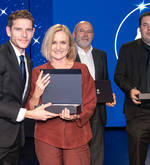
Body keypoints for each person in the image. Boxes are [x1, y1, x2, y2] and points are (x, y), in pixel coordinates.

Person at [0, 10, 58, 165]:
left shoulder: (27, 60)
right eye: (18, 29)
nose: (24, 35)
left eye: (28, 30)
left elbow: (17, 98)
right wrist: (30, 114)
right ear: (8, 31)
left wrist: (37, 95)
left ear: (33, 32)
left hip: (14, 138)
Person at [26, 24, 97, 165]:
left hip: (77, 134)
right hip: (46, 136)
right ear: (47, 45)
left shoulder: (82, 69)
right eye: (54, 42)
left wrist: (76, 115)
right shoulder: (37, 72)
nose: (58, 47)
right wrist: (36, 94)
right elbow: (29, 108)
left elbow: (90, 102)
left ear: (70, 46)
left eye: (63, 42)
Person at [73, 21, 116, 165]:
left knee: (97, 153)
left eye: (89, 31)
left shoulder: (101, 55)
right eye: (81, 31)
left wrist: (109, 95)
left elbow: (104, 80)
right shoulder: (67, 55)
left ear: (93, 35)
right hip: (76, 112)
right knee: (77, 153)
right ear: (74, 34)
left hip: (98, 109)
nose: (85, 35)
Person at [114, 11, 150, 165]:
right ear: (139, 28)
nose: (149, 29)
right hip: (137, 114)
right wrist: (130, 90)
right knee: (136, 160)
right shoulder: (127, 49)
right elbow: (119, 76)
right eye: (145, 25)